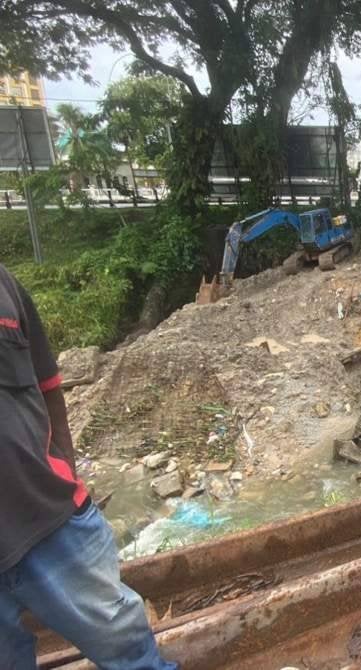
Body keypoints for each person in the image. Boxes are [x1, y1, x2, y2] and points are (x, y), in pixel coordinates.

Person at [0, 263, 177, 669]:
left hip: (47, 519)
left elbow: (48, 388)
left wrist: (67, 472)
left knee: (130, 652)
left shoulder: (6, 286)